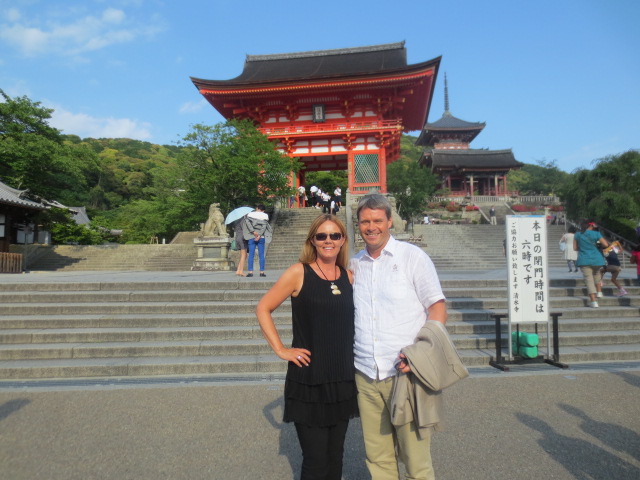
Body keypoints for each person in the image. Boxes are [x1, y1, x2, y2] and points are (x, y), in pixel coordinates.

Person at [349, 194, 447, 480]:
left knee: (415, 458)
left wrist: (421, 355)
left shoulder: (412, 257)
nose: (371, 227)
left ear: (390, 221)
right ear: (358, 225)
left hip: (405, 373)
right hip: (366, 372)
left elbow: (437, 308)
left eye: (377, 220)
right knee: (377, 457)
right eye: (365, 221)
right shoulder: (355, 264)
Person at [256, 214, 358, 480]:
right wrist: (281, 350)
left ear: (343, 240)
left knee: (336, 457)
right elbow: (263, 307)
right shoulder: (298, 272)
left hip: (342, 379)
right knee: (315, 461)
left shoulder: (349, 276)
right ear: (312, 240)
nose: (328, 241)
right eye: (321, 236)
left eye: (334, 235)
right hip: (309, 380)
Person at [574, 220, 608, 308]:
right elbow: (605, 244)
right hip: (597, 259)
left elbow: (575, 248)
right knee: (597, 274)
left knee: (589, 280)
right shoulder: (596, 234)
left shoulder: (577, 234)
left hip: (584, 259)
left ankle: (594, 301)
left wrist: (583, 247)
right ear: (591, 225)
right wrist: (597, 244)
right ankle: (599, 292)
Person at [243, 204, 272, 277]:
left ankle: (250, 272)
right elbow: (264, 226)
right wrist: (259, 235)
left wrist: (253, 232)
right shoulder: (265, 216)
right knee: (261, 255)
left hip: (251, 236)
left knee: (251, 255)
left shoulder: (250, 215)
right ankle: (262, 272)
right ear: (263, 210)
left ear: (257, 208)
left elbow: (248, 224)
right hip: (261, 237)